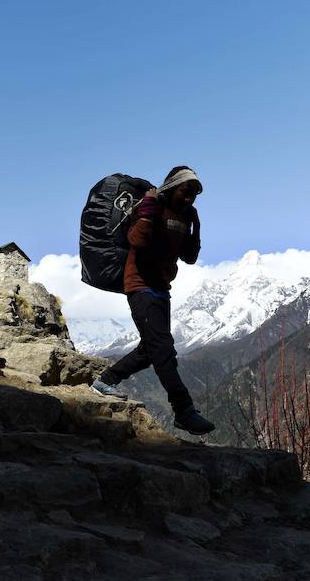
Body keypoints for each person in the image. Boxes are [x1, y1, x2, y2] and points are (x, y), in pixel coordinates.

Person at [90, 166, 216, 435]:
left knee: (150, 348)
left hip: (161, 288)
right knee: (163, 350)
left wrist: (196, 224)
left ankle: (105, 381)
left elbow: (190, 256)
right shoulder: (150, 207)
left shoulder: (184, 217)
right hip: (140, 286)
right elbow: (137, 239)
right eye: (186, 191)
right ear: (172, 187)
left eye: (194, 194)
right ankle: (184, 410)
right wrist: (147, 205)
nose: (190, 198)